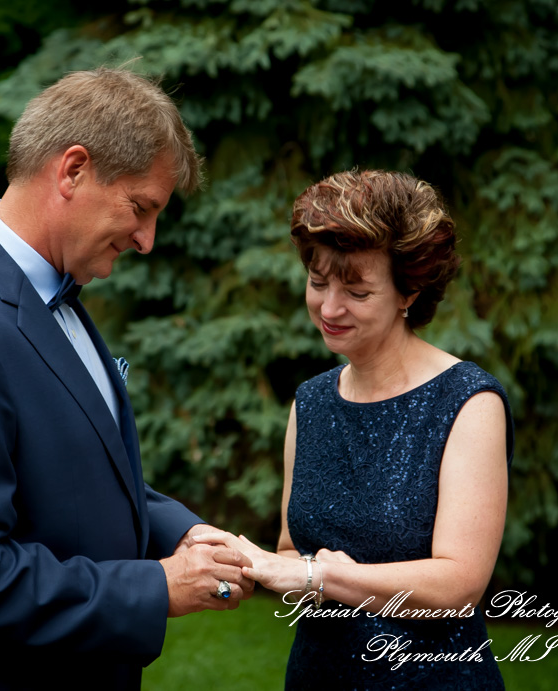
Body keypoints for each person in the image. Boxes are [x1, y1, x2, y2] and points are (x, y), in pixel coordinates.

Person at [0, 66, 253, 691]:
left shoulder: (46, 290)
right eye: (141, 208)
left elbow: (75, 472)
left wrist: (185, 531)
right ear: (72, 171)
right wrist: (155, 587)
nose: (148, 240)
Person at [205, 169, 514, 688]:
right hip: (317, 675)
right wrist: (249, 565)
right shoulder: (311, 401)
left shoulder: (468, 401)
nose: (328, 308)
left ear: (408, 292)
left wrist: (320, 576)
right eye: (318, 282)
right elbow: (290, 552)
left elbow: (459, 584)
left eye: (357, 291)